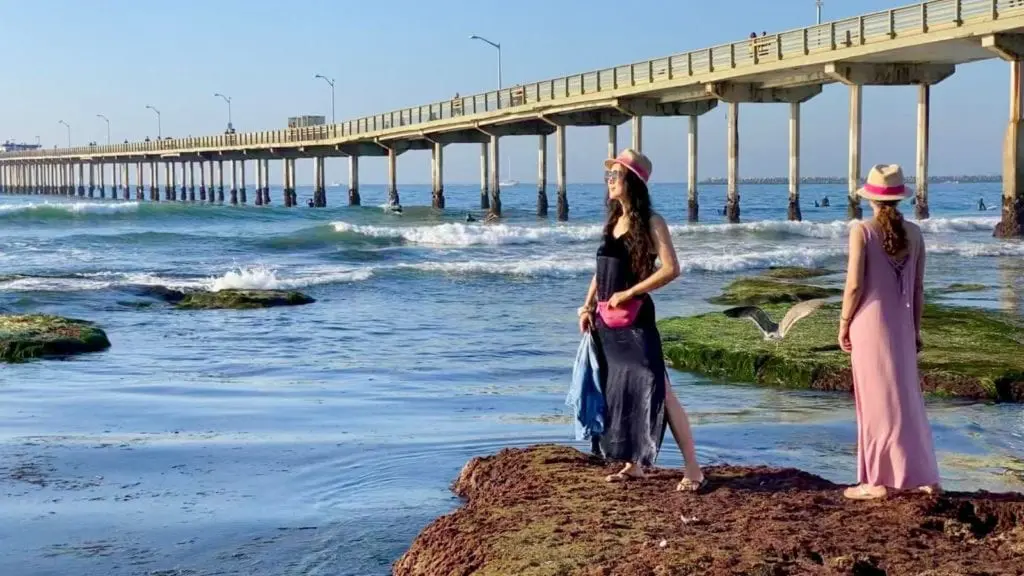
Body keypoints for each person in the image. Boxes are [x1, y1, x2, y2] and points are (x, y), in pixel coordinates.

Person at [577, 148, 706, 491]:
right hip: (606, 322)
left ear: (632, 181)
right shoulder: (612, 221)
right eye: (609, 175)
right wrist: (587, 306)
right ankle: (635, 464)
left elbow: (671, 268)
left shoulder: (652, 222)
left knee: (657, 385)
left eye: (616, 175)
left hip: (635, 320)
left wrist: (630, 292)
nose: (610, 181)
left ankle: (693, 467)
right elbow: (601, 270)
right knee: (621, 389)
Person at [838, 163, 941, 500]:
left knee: (875, 401)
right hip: (902, 325)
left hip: (869, 325)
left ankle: (876, 481)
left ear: (871, 198)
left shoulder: (862, 231)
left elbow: (854, 286)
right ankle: (923, 475)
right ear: (899, 199)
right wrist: (914, 330)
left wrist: (842, 323)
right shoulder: (915, 233)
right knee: (907, 400)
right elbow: (919, 289)